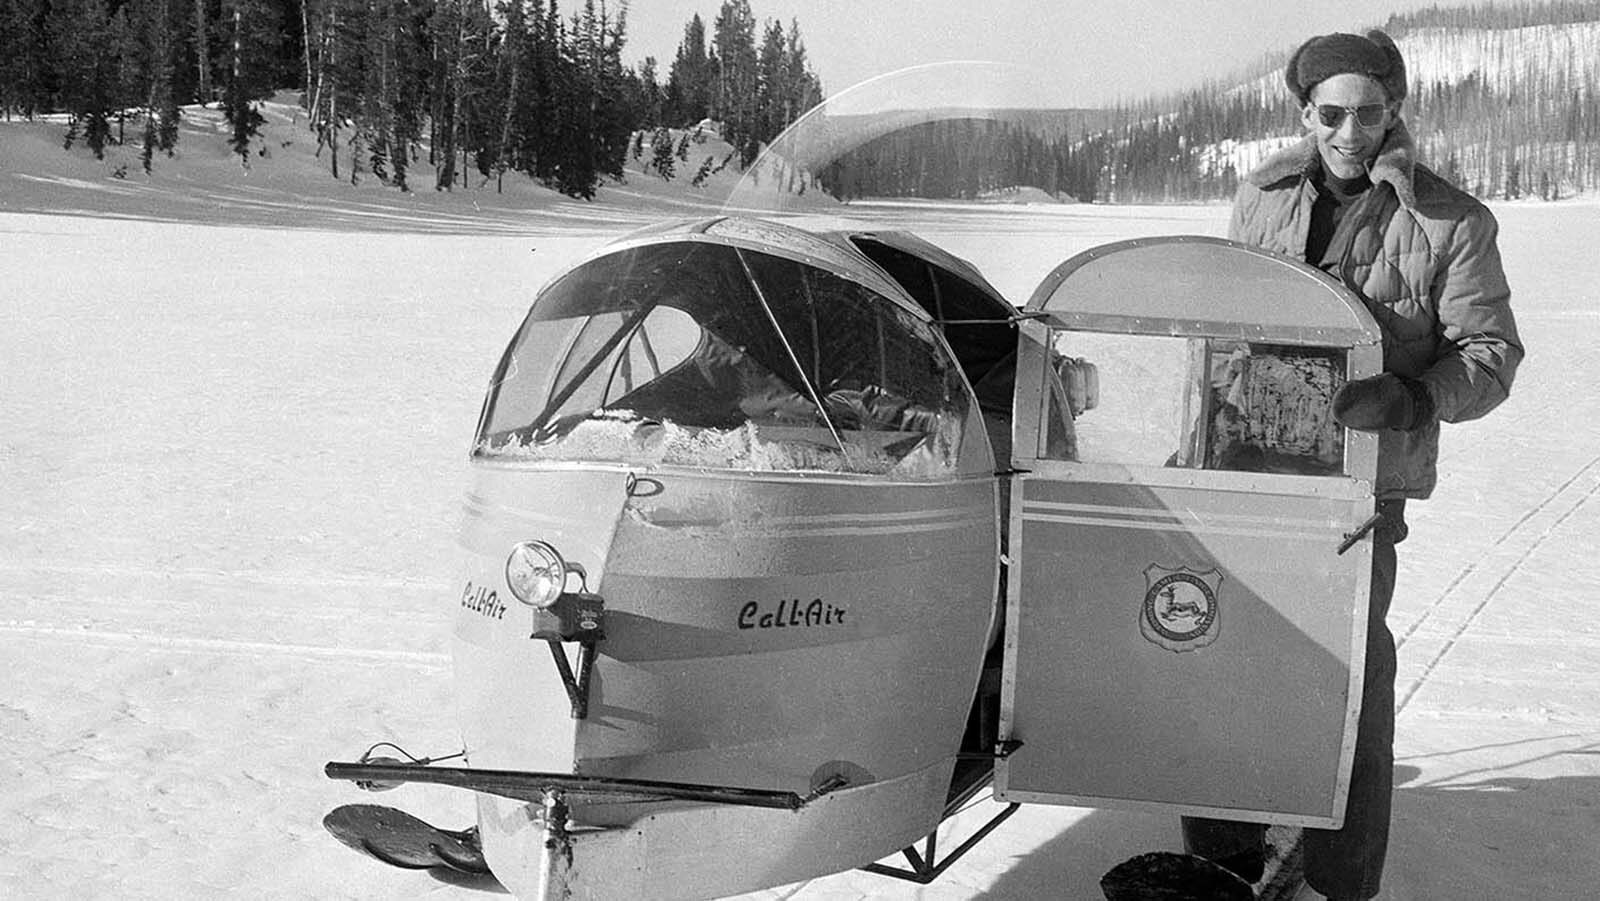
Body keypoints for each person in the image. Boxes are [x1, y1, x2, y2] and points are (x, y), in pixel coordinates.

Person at [1180, 28, 1524, 901]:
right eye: (1331, 112)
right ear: (1305, 112)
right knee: (1227, 655)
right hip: (1252, 469)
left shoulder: (1450, 220)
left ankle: (1341, 879)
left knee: (1351, 677)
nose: (1348, 130)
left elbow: (1491, 353)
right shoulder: (1261, 199)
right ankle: (1223, 854)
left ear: (1393, 112)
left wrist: (1415, 398)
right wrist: (1199, 436)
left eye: (1368, 112)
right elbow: (1225, 328)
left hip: (1361, 488)